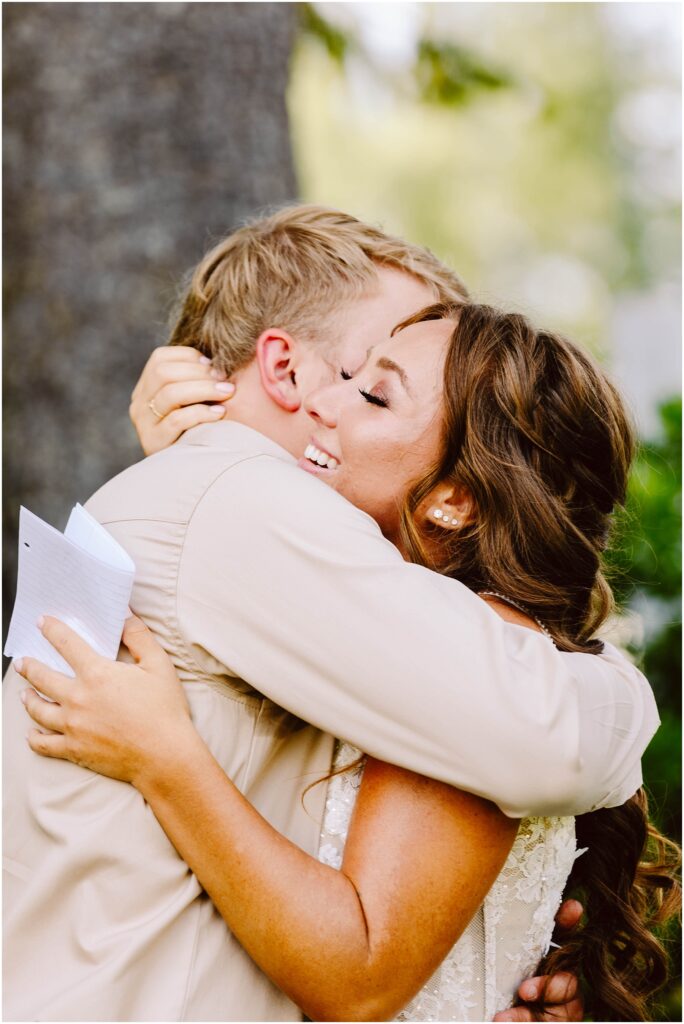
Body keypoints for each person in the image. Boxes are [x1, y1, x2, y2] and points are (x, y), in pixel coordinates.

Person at [4, 207, 659, 1022]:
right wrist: (623, 689)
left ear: (462, 496)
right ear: (282, 368)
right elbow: (542, 731)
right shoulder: (236, 497)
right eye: (366, 373)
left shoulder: (397, 620)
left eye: (379, 395)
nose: (336, 406)